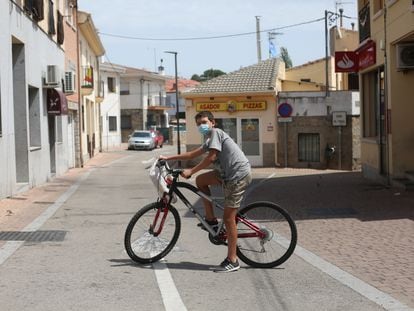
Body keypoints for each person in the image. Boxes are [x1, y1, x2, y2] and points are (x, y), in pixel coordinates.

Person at [160, 111, 252, 273]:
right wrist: (168, 158)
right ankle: (211, 220)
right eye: (198, 124)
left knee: (229, 218)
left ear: (212, 122)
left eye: (203, 122)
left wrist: (191, 171)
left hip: (237, 175)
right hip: (226, 174)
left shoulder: (216, 133)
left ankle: (233, 260)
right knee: (201, 181)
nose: (201, 126)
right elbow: (191, 154)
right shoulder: (209, 139)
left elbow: (211, 157)